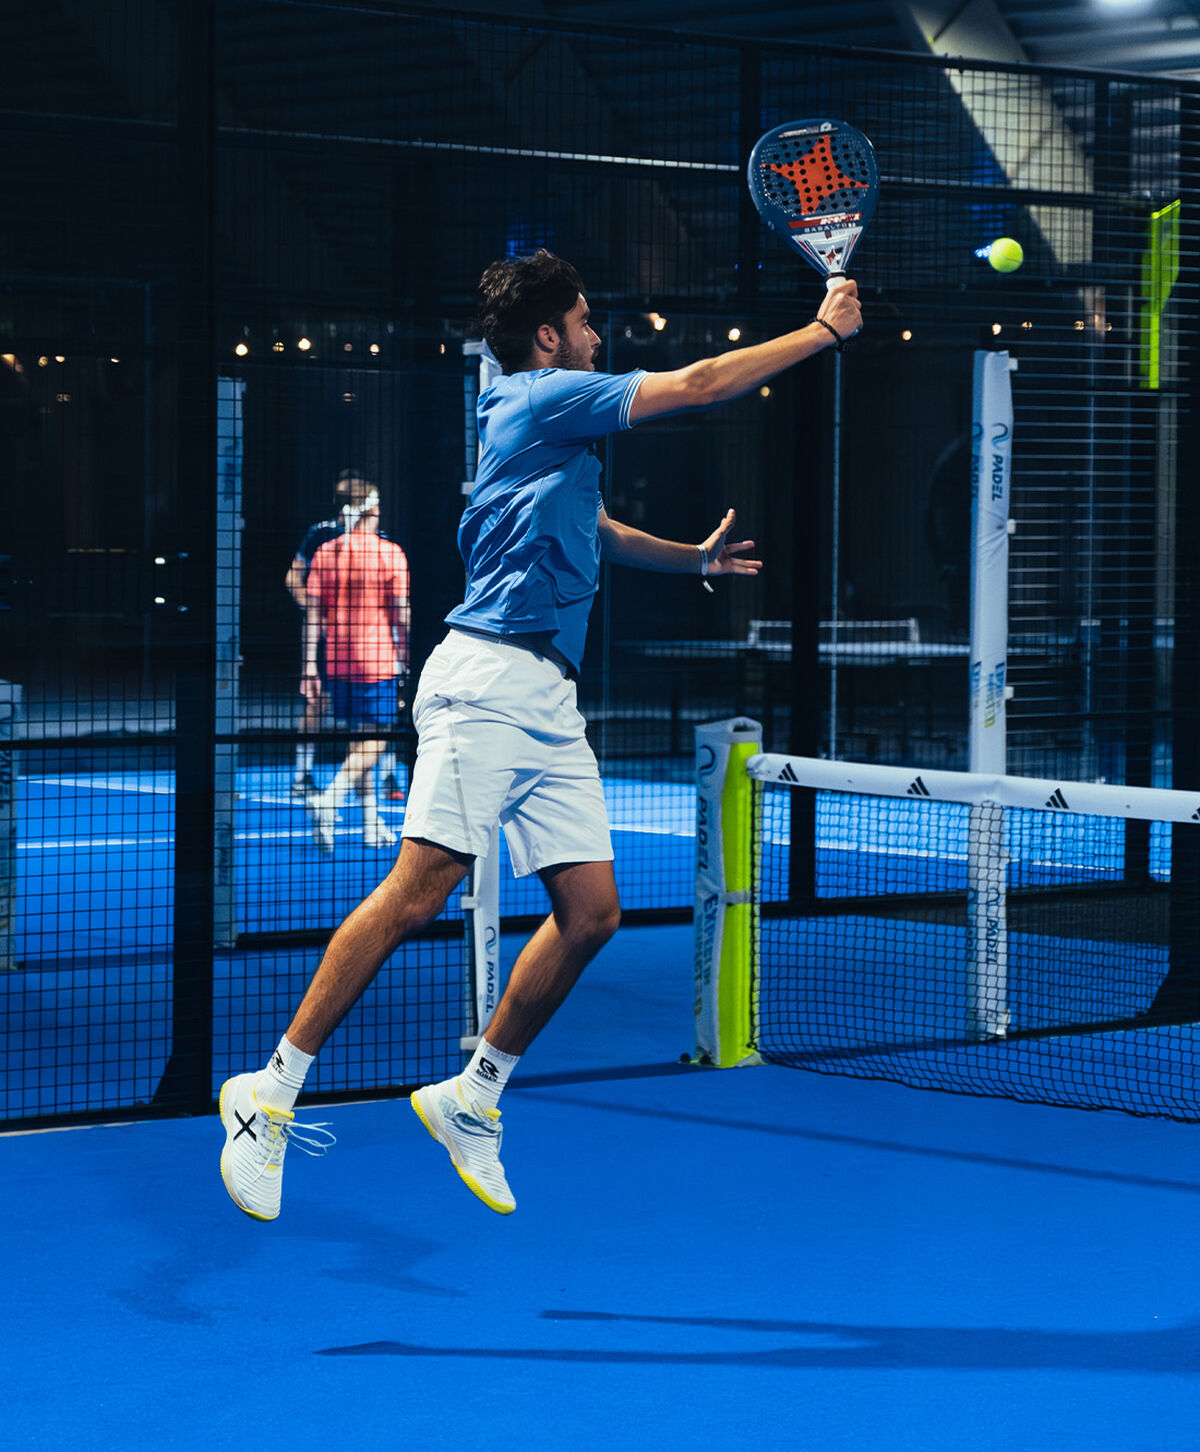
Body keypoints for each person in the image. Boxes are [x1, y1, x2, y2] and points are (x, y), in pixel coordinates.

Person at [219, 248, 862, 1222]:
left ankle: (472, 1096)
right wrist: (820, 331)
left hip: (549, 700)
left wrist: (691, 558)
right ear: (551, 337)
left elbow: (598, 529)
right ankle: (267, 1095)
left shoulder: (549, 431)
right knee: (419, 891)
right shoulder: (543, 395)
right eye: (588, 321)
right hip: (484, 683)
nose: (601, 336)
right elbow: (696, 384)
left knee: (593, 912)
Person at [302, 476, 410, 852]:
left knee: (358, 740)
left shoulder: (325, 553)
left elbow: (313, 615)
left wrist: (309, 666)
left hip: (337, 660)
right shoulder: (390, 553)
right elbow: (401, 613)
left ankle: (370, 823)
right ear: (374, 509)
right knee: (378, 738)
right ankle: (330, 798)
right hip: (377, 661)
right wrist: (407, 652)